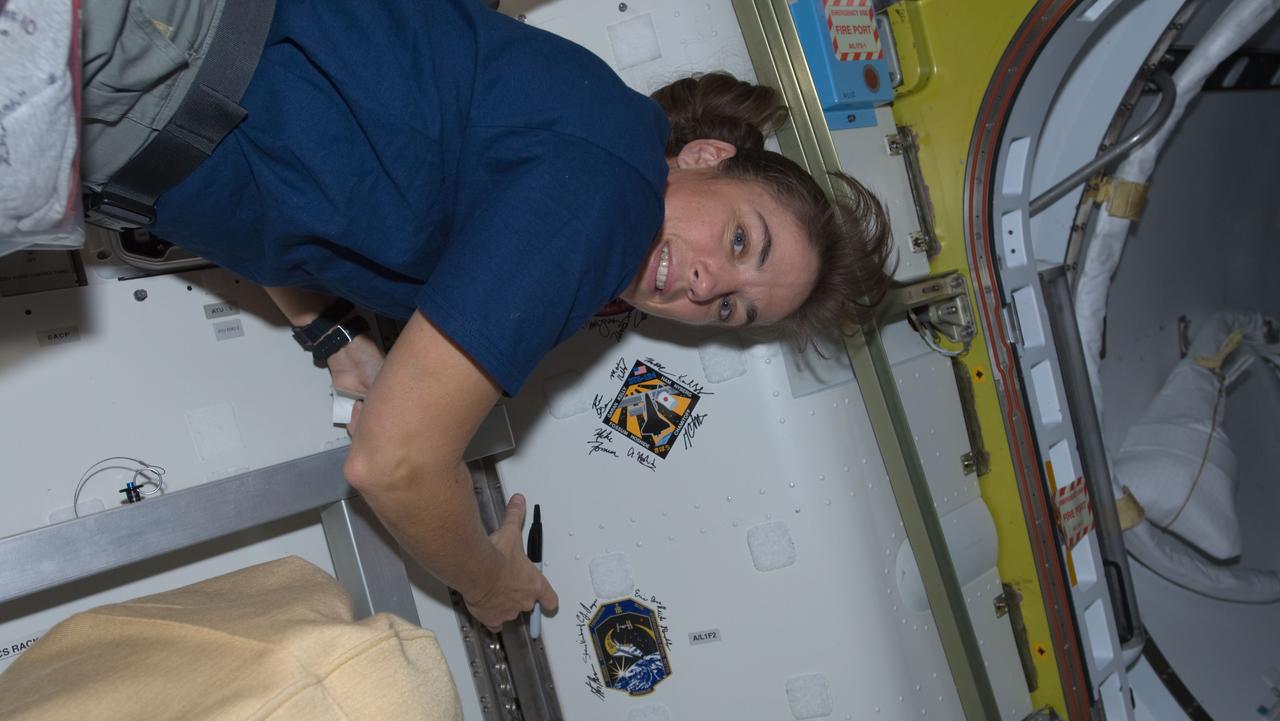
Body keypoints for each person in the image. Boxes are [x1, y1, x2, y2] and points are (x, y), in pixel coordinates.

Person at [82, 0, 893, 633]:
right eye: (742, 239)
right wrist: (487, 578)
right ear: (708, 159)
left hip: (135, 98)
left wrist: (333, 335)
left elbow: (304, 203)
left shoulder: (591, 173)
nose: (708, 284)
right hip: (136, 54)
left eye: (730, 309)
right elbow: (393, 464)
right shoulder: (612, 198)